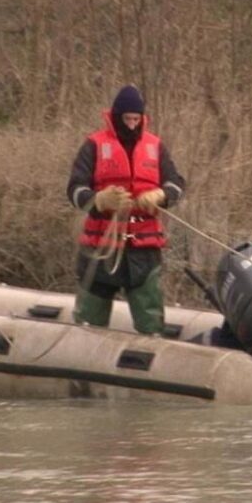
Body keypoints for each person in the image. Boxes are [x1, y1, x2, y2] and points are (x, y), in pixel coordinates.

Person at [67, 84, 185, 334]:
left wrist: (161, 195)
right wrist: (99, 200)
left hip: (143, 250)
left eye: (136, 119)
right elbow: (75, 189)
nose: (132, 125)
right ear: (116, 117)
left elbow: (176, 184)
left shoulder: (156, 146)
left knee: (151, 322)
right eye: (127, 119)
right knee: (89, 324)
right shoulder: (94, 146)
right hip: (100, 249)